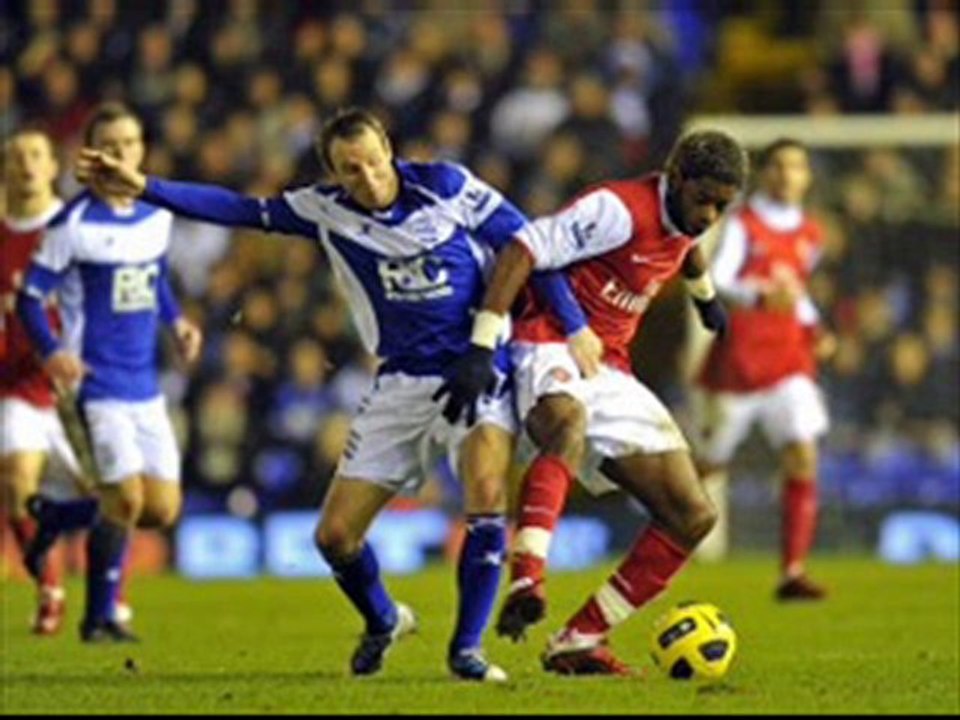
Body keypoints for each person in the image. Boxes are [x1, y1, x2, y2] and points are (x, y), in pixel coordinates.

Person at [74, 106, 597, 681]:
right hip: (400, 381)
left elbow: (531, 246)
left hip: (475, 366)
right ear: (333, 174)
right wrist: (146, 188)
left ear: (389, 150)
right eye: (352, 170)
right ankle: (382, 619)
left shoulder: (447, 186)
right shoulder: (323, 209)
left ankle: (466, 651)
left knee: (486, 492)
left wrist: (573, 327)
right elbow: (238, 209)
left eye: (375, 162)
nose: (369, 179)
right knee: (334, 537)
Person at [438, 130, 747, 675]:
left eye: (723, 205)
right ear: (676, 180)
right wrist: (484, 343)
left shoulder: (686, 218)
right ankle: (528, 574)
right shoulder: (616, 209)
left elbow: (685, 247)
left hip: (611, 365)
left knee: (693, 515)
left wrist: (706, 300)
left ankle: (577, 641)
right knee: (567, 421)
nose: (711, 215)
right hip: (548, 339)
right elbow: (525, 247)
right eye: (704, 199)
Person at [18, 103, 203, 643]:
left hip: (144, 383)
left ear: (142, 149)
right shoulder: (72, 224)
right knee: (123, 500)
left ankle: (56, 517)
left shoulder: (157, 213)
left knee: (161, 509)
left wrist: (177, 321)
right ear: (93, 155)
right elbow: (31, 297)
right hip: (94, 384)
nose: (122, 154)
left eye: (130, 143)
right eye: (111, 145)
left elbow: (155, 276)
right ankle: (99, 617)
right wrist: (53, 351)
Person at [693, 138, 832, 601]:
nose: (788, 175)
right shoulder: (744, 225)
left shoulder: (811, 234)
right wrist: (758, 296)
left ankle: (792, 571)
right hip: (742, 362)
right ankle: (659, 536)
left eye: (797, 166)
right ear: (766, 174)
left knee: (802, 453)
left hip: (790, 359)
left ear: (806, 176)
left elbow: (799, 292)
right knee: (709, 465)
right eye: (779, 165)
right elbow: (722, 279)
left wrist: (815, 329)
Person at [1, 127, 98, 635]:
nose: (25, 165)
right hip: (19, 387)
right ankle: (49, 585)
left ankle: (111, 600)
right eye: (15, 157)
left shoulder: (74, 226)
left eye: (35, 154)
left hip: (81, 384)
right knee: (16, 483)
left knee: (118, 498)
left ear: (51, 165)